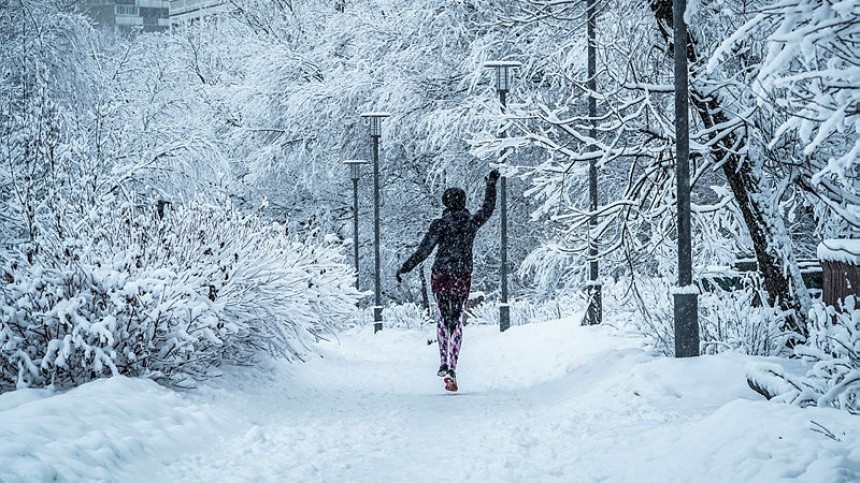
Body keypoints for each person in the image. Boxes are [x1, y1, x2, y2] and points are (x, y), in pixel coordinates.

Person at [396, 169, 500, 391]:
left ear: (445, 202)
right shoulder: (471, 223)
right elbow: (488, 209)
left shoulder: (440, 225)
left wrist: (405, 267)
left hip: (441, 274)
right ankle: (453, 366)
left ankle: (443, 361)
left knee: (443, 317)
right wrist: (491, 184)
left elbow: (423, 250)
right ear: (463, 202)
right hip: (462, 275)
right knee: (457, 317)